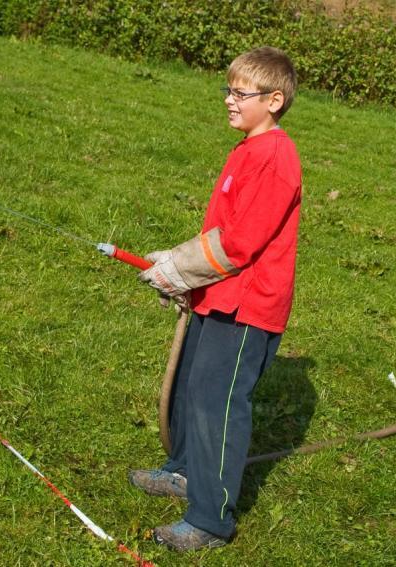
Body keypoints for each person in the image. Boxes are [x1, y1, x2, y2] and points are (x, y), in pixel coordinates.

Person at [128, 46, 302, 551]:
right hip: (220, 296)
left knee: (216, 406)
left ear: (273, 100)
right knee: (188, 389)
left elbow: (242, 242)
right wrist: (180, 266)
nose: (228, 100)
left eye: (239, 93)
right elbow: (224, 233)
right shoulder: (248, 148)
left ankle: (210, 520)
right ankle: (184, 471)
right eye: (227, 89)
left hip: (248, 307)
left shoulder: (274, 157)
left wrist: (179, 270)